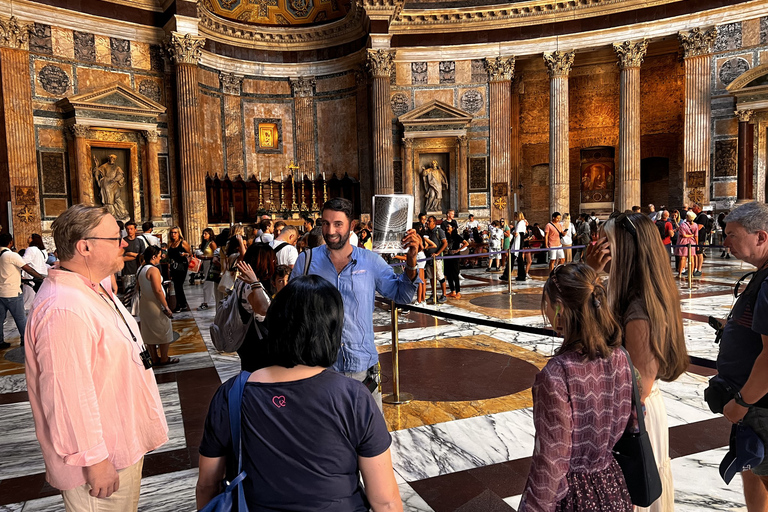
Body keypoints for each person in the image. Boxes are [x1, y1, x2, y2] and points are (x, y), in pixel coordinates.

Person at [196, 276, 402, 511]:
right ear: (333, 330)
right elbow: (385, 501)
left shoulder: (232, 394)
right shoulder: (353, 397)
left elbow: (207, 485)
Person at [25, 205, 167, 510]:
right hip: (99, 463)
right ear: (84, 246)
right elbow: (68, 396)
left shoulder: (91, 288)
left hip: (118, 442)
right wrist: (94, 460)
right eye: (116, 238)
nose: (125, 243)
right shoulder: (64, 309)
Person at [586, 212, 688, 512]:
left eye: (605, 242)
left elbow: (640, 383)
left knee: (634, 496)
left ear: (624, 249)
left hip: (632, 414)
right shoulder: (627, 293)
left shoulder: (640, 305)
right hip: (624, 409)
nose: (598, 248)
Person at [519, 263, 633, 511]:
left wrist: (534, 507)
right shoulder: (621, 356)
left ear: (559, 307)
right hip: (611, 484)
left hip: (574, 496)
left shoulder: (557, 375)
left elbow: (552, 460)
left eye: (547, 304)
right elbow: (634, 418)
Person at [291, 198, 419, 408]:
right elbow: (293, 312)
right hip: (319, 370)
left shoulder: (370, 262)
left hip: (362, 369)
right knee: (327, 437)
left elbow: (402, 295)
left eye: (337, 224)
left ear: (352, 226)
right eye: (325, 223)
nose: (330, 230)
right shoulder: (306, 261)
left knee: (371, 437)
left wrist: (412, 264)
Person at [710, 202, 768, 511]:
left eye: (733, 235)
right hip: (754, 402)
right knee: (752, 468)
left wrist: (742, 402)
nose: (726, 243)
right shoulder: (762, 276)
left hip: (759, 404)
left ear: (761, 237)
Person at [233, 243, 277, 371]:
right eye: (271, 259)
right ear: (262, 262)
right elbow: (263, 309)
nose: (274, 262)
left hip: (249, 340)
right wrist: (255, 283)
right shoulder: (249, 285)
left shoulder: (243, 280)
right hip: (257, 343)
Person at [0, 233, 45, 350]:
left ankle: (0, 341)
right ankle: (25, 340)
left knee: (0, 318)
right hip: (12, 292)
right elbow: (28, 268)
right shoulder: (11, 255)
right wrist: (42, 278)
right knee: (20, 317)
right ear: (10, 242)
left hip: (1, 292)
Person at [137, 245, 176, 366]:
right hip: (156, 305)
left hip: (145, 304)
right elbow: (158, 290)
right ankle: (164, 358)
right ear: (153, 257)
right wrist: (166, 307)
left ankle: (154, 358)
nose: (160, 258)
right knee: (164, 330)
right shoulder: (153, 270)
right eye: (159, 256)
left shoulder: (140, 269)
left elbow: (138, 287)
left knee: (149, 332)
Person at [167, 226, 192, 312]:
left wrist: (185, 254)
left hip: (182, 265)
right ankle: (183, 304)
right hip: (173, 266)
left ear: (179, 233)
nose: (173, 234)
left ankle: (180, 305)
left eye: (175, 232)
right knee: (176, 285)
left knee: (178, 285)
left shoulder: (183, 243)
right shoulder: (170, 244)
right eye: (172, 233)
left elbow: (190, 254)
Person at [425, 215, 448, 302]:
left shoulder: (439, 231)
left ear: (434, 223)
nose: (427, 222)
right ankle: (434, 294)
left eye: (429, 221)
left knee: (440, 276)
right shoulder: (427, 232)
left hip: (437, 258)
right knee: (431, 276)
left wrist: (438, 253)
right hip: (429, 258)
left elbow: (445, 243)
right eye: (427, 221)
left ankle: (444, 294)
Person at [444, 223, 468, 299]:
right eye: (447, 226)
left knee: (455, 274)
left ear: (453, 228)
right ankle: (452, 291)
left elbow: (466, 243)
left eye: (449, 226)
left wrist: (458, 250)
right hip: (447, 256)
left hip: (455, 257)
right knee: (448, 274)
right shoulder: (446, 236)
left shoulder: (456, 236)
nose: (447, 228)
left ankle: (458, 291)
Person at [121, 221, 146, 291]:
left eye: (131, 229)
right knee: (128, 293)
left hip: (138, 270)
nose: (129, 231)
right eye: (127, 229)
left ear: (135, 229)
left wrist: (131, 254)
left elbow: (143, 257)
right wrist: (137, 256)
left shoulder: (140, 241)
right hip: (127, 271)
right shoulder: (123, 242)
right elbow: (121, 258)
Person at [197, 228, 217, 310]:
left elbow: (216, 254)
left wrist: (205, 256)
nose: (204, 235)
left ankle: (206, 302)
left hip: (210, 263)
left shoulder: (212, 243)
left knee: (208, 283)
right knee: (208, 283)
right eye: (203, 233)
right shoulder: (205, 243)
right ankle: (210, 300)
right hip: (205, 264)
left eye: (206, 233)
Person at [675, 210, 699, 278]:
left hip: (684, 243)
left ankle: (679, 274)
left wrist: (690, 235)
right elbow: (696, 236)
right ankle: (691, 274)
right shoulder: (695, 225)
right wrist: (697, 245)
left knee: (683, 258)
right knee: (691, 258)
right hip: (692, 243)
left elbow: (684, 235)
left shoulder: (683, 224)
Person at [693, 204, 710, 276]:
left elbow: (699, 227)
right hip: (696, 237)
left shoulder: (702, 216)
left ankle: (699, 269)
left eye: (694, 207)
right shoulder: (697, 216)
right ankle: (695, 268)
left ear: (698, 208)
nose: (692, 208)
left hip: (700, 237)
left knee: (699, 253)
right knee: (695, 254)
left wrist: (690, 230)